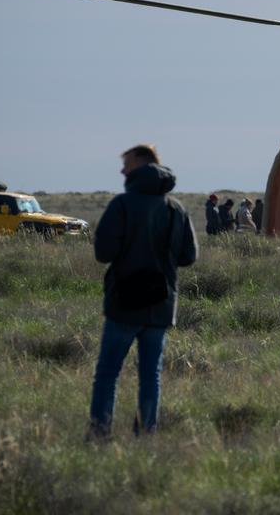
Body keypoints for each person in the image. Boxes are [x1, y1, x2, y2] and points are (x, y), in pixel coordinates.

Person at [89, 144, 197, 439]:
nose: (122, 170)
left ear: (141, 165)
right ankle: (146, 434)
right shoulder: (177, 208)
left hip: (124, 302)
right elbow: (189, 257)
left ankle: (100, 433)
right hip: (161, 304)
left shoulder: (122, 205)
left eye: (126, 164)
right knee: (151, 375)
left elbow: (103, 253)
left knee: (108, 374)